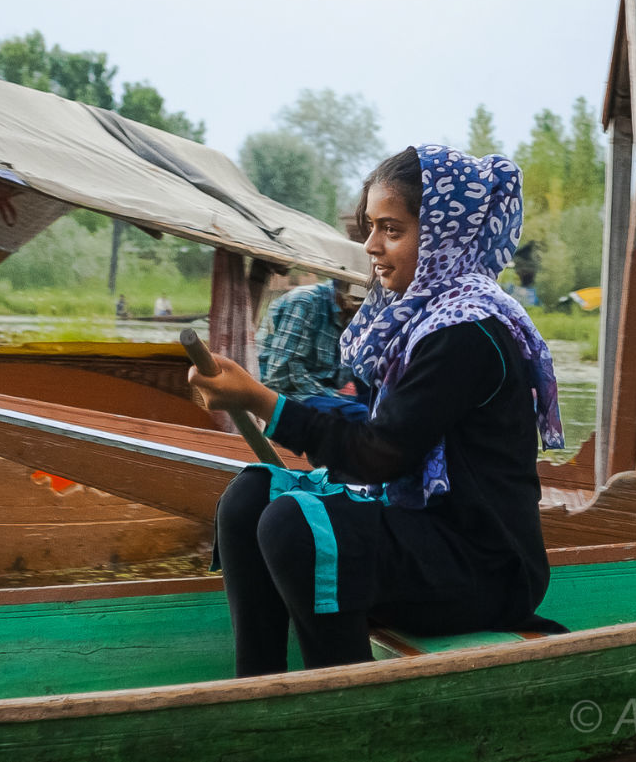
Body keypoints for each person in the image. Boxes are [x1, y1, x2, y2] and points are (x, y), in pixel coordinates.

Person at [189, 145, 565, 676]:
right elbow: (375, 438)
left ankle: (345, 698)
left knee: (295, 525)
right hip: (424, 540)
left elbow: (377, 455)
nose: (370, 246)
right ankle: (258, 688)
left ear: (442, 234)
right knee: (251, 496)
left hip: (483, 566)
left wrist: (258, 398)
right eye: (370, 227)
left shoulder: (468, 332)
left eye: (392, 229)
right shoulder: (420, 319)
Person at [257, 279, 367, 419]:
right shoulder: (305, 300)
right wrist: (333, 396)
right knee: (360, 416)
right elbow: (281, 373)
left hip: (321, 393)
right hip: (287, 394)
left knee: (383, 415)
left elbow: (344, 376)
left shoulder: (354, 318)